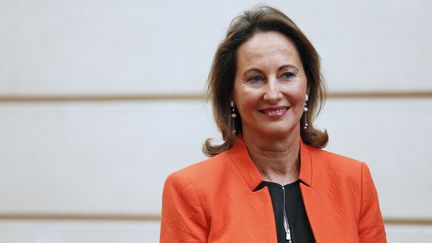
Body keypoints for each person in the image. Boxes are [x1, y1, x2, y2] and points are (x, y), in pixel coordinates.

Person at [160, 5, 386, 243]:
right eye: (255, 78)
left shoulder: (354, 180)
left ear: (307, 85)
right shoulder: (191, 190)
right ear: (231, 94)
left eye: (287, 74)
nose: (273, 93)